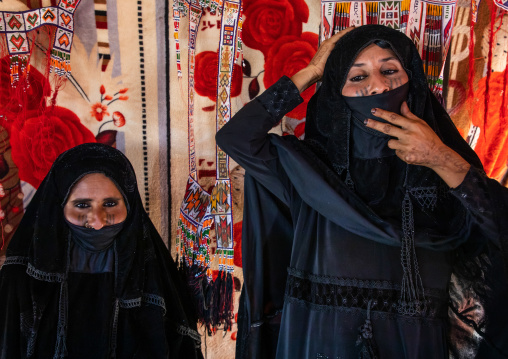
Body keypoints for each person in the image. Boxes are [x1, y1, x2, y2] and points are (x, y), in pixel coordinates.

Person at [216, 25, 508, 358]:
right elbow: (236, 138)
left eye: (390, 71)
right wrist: (312, 72)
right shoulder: (307, 173)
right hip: (317, 343)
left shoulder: (446, 175)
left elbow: (499, 230)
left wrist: (438, 157)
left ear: (413, 80)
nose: (379, 86)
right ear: (335, 95)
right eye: (357, 78)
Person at [0, 143, 203, 359]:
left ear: (129, 205)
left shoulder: (154, 275)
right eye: (82, 205)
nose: (98, 222)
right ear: (59, 206)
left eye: (110, 203)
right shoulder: (21, 277)